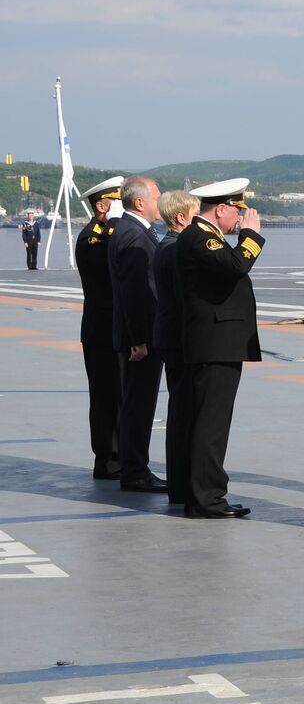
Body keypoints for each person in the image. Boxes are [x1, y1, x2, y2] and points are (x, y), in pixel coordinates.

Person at [177, 178, 264, 519]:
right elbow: (235, 266)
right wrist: (252, 237)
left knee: (208, 422)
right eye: (238, 211)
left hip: (217, 343)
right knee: (211, 424)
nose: (240, 218)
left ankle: (204, 493)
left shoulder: (204, 237)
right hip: (214, 345)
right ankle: (206, 498)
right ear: (222, 208)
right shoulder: (200, 237)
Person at [108, 176, 166, 492]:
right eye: (157, 196)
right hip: (140, 340)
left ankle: (135, 467)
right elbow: (134, 293)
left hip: (139, 335)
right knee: (138, 405)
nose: (161, 202)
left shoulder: (132, 231)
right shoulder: (133, 236)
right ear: (140, 202)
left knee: (138, 404)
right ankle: (135, 471)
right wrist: (140, 340)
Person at [74, 176, 125, 479]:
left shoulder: (107, 233)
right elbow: (111, 263)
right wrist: (117, 226)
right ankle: (108, 459)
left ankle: (119, 456)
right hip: (101, 329)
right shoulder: (92, 238)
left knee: (118, 395)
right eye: (117, 202)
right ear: (103, 205)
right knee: (106, 397)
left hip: (111, 328)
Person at [153, 190, 197, 505]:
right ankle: (182, 485)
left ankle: (179, 484)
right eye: (196, 215)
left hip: (172, 337)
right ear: (181, 217)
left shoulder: (166, 246)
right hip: (181, 340)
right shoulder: (176, 250)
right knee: (185, 413)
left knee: (181, 411)